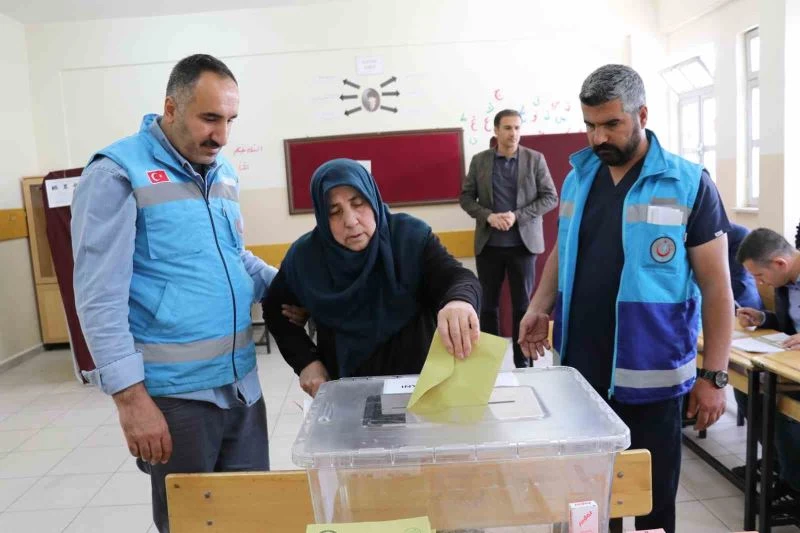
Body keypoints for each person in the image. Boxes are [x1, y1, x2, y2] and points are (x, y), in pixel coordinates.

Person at [72, 54, 284, 533]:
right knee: (193, 525)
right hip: (178, 400)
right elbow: (98, 297)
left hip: (242, 387)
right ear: (171, 108)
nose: (222, 135)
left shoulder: (223, 172)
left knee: (252, 521)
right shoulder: (116, 173)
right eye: (209, 118)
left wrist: (292, 288)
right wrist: (130, 400)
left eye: (230, 120)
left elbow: (235, 258)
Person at [518, 64, 733, 533]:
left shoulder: (688, 183)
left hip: (652, 375)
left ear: (642, 115)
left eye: (611, 123)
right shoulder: (579, 177)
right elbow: (563, 247)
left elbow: (718, 288)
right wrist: (538, 306)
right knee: (590, 503)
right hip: (581, 372)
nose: (599, 137)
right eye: (590, 124)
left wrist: (715, 376)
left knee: (652, 506)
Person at [264, 159, 481, 396]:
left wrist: (458, 301)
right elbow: (275, 311)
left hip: (422, 387)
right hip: (348, 393)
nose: (351, 221)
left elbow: (456, 277)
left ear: (373, 198)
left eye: (359, 204)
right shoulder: (306, 258)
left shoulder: (409, 237)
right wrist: (306, 361)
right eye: (334, 212)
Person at [459, 109, 558, 368]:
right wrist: (488, 216)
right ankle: (488, 362)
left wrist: (517, 216)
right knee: (488, 306)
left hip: (523, 247)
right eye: (507, 128)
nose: (513, 133)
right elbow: (466, 198)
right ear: (496, 131)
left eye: (517, 128)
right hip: (489, 245)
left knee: (522, 306)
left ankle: (522, 360)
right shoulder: (480, 161)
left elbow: (550, 197)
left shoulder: (535, 159)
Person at [736, 227, 800, 498]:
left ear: (780, 263)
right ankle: (779, 465)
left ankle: (793, 484)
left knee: (779, 405)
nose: (759, 283)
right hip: (790, 362)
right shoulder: (787, 281)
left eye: (760, 276)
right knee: (746, 387)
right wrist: (763, 318)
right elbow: (791, 327)